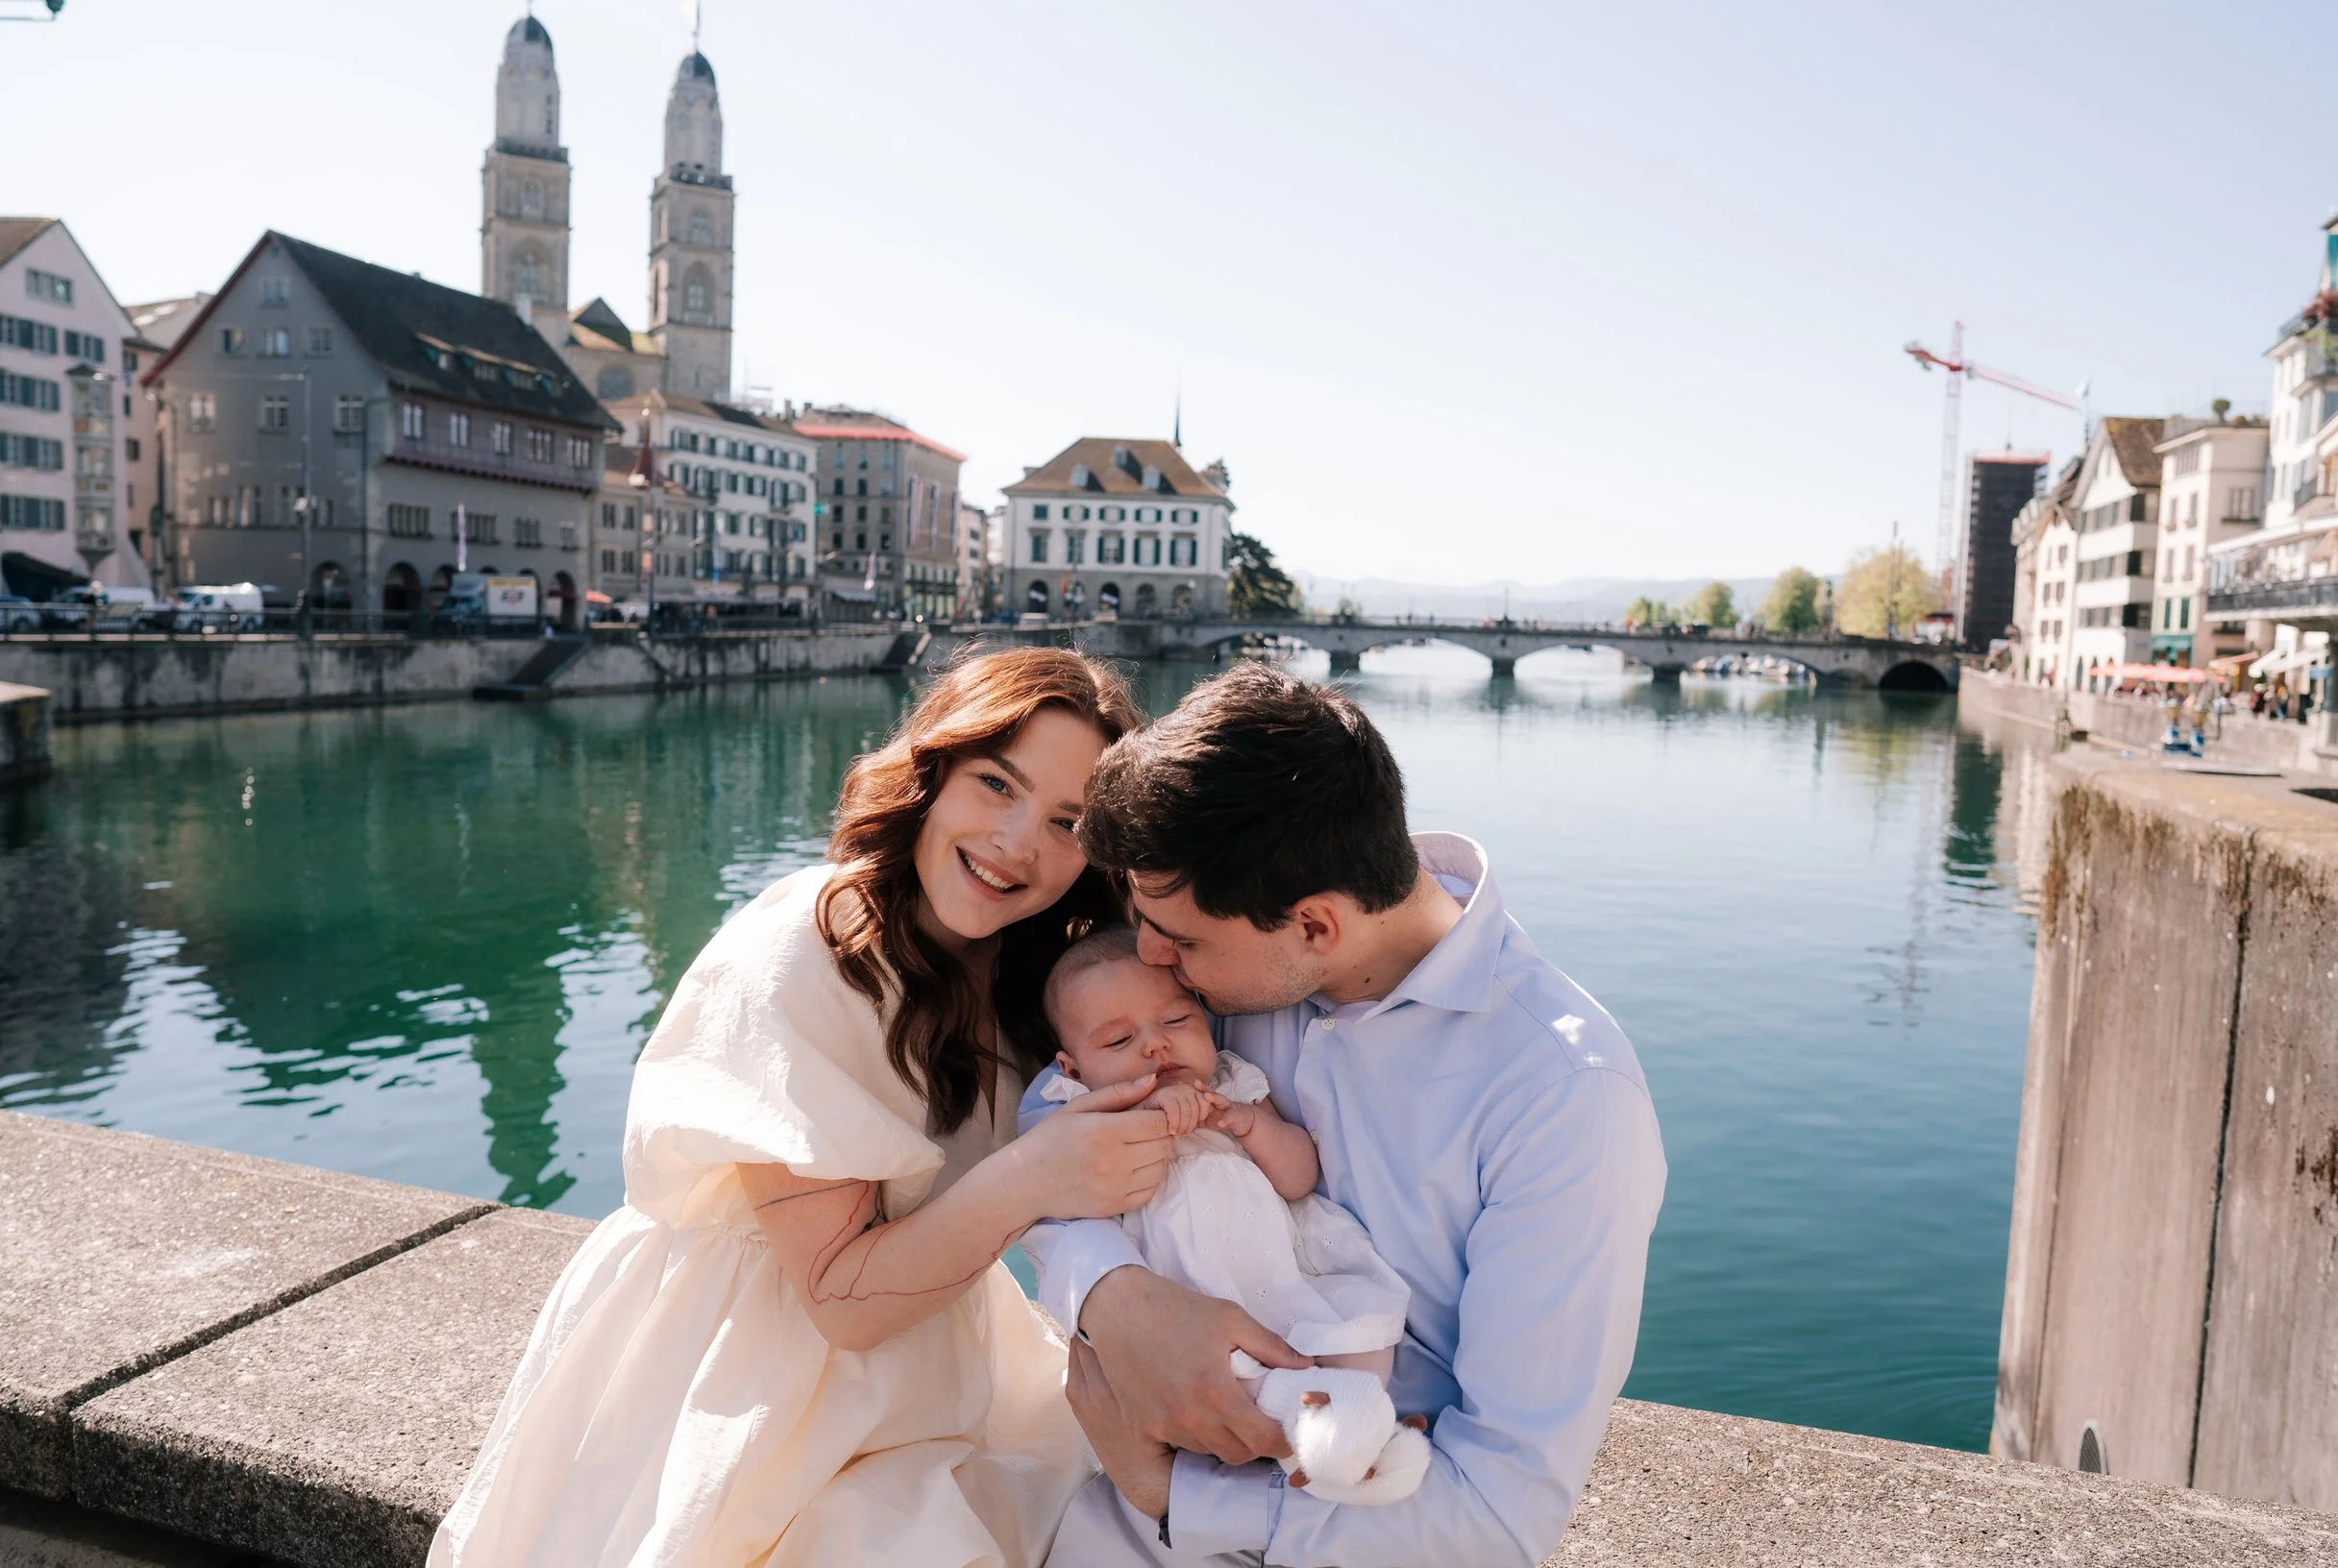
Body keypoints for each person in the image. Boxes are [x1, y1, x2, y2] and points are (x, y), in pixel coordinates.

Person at [431, 647, 1172, 1568]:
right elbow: (838, 1300)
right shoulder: (808, 945)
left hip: (929, 1355)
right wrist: (1038, 1174)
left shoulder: (1042, 976)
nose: (1020, 843)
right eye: (996, 783)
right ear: (932, 772)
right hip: (749, 1376)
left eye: (1067, 822)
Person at [1021, 663, 1666, 1567]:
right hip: (1096, 1522)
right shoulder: (1224, 970)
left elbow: (1498, 1518)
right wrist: (1111, 1293)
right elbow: (1050, 1119)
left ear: (1317, 927)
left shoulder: (1566, 1098)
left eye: (1182, 937)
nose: (1154, 957)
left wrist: (1171, 1493)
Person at [1038, 928, 1428, 1506]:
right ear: (1073, 1069)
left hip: (1287, 1270)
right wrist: (1145, 1120)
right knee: (1233, 1382)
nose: (1156, 1047)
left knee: (1363, 1330)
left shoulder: (1235, 1082)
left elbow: (1297, 1178)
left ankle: (1357, 1438)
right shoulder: (1081, 1116)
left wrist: (1251, 1125)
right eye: (1120, 1040)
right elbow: (1069, 1207)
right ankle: (1313, 1438)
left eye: (1176, 1022)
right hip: (1188, 1294)